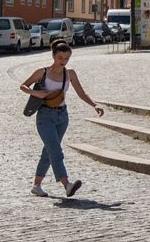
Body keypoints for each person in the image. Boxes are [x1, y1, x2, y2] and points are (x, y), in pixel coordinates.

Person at [22, 39, 105, 197]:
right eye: (60, 58)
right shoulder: (42, 72)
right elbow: (23, 85)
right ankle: (67, 184)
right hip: (45, 116)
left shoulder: (70, 73)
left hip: (62, 116)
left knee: (49, 151)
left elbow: (81, 92)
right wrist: (36, 93)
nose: (63, 61)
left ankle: (36, 185)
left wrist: (94, 105)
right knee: (56, 151)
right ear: (53, 56)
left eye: (66, 58)